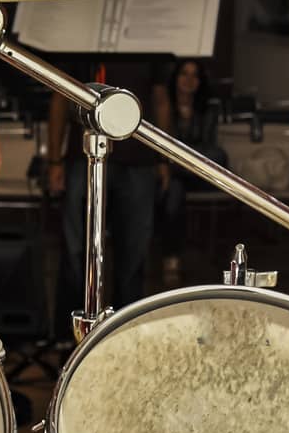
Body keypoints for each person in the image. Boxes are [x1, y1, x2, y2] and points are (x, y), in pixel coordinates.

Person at [46, 57, 171, 317]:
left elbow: (160, 99)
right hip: (83, 154)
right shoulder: (82, 39)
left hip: (138, 158)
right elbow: (60, 98)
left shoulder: (149, 41)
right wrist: (55, 160)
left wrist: (162, 157)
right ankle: (69, 331)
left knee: (134, 251)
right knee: (77, 248)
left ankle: (126, 326)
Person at [158, 58, 225, 287]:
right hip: (173, 174)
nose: (188, 80)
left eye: (194, 75)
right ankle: (171, 259)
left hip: (198, 171)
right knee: (174, 190)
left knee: (217, 156)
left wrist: (182, 158)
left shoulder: (207, 109)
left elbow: (207, 149)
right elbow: (164, 146)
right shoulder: (163, 106)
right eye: (184, 73)